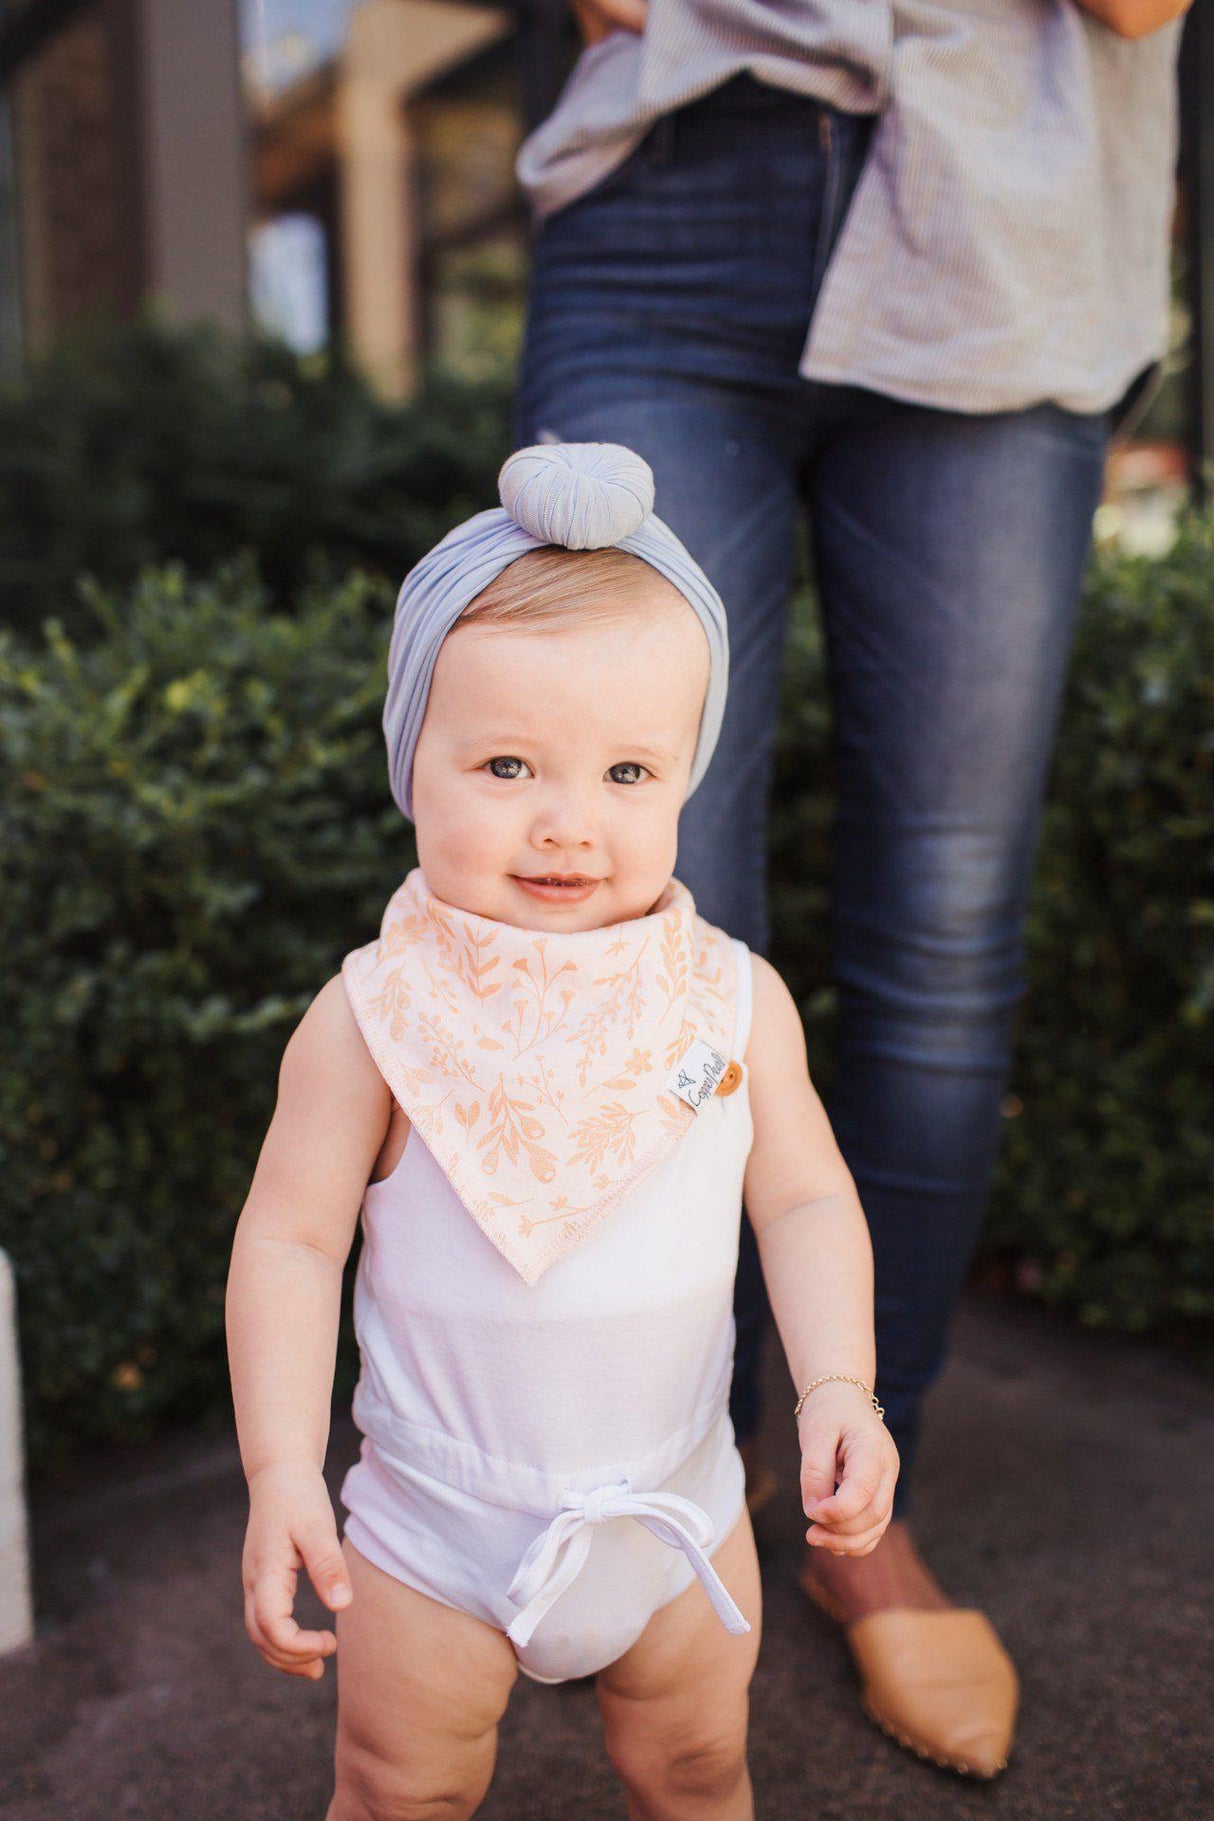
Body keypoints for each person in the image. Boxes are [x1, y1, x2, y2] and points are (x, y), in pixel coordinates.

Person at [511, 0, 1188, 1779]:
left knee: (942, 938)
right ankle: (642, 1488)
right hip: (673, 179)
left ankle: (848, 1496)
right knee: (612, 926)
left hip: (1002, 216)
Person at [225, 441, 902, 1820]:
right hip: (436, 1527)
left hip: (677, 1502)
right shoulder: (371, 1020)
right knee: (400, 1785)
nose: (564, 824)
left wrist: (839, 1385)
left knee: (699, 1767)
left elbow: (806, 1201)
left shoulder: (728, 1000)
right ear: (414, 751)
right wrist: (280, 1466)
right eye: (508, 761)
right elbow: (290, 1240)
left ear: (684, 780)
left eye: (627, 772)